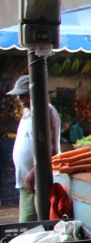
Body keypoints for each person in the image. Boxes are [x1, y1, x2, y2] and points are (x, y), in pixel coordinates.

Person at [7, 75, 61, 222]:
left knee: (43, 223)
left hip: (39, 180)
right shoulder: (26, 112)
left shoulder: (47, 112)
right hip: (25, 181)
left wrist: (33, 174)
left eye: (23, 94)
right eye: (18, 94)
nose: (19, 98)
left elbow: (52, 149)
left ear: (34, 92)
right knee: (26, 223)